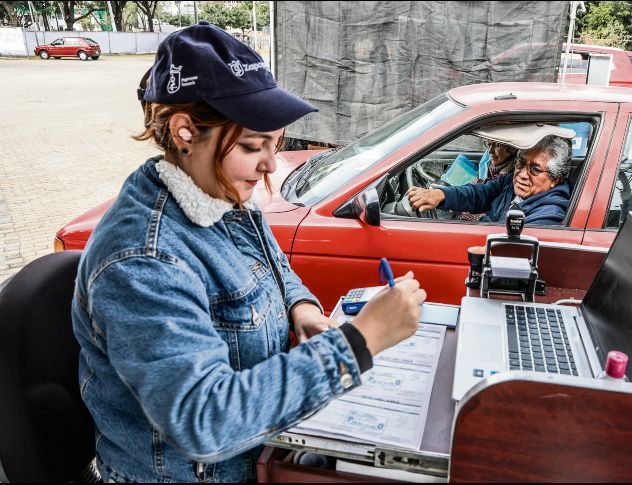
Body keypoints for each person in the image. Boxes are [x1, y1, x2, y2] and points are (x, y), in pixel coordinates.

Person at [71, 22, 426, 483]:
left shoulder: (222, 195)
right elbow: (205, 420)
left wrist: (300, 308)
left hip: (255, 457)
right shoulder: (143, 260)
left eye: (276, 144)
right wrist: (359, 342)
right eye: (252, 146)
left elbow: (271, 265)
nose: (271, 164)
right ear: (184, 132)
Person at [408, 135, 572, 225]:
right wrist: (440, 195)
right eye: (520, 164)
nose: (522, 174)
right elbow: (479, 193)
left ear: (555, 179)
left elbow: (505, 249)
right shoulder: (509, 182)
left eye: (535, 169)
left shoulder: (549, 216)